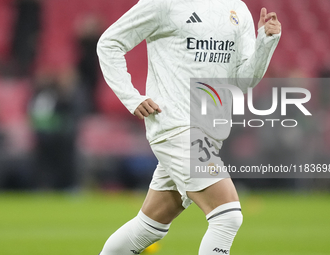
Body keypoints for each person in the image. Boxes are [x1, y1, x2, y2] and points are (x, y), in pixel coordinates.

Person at [97, 0, 281, 254]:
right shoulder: (163, 3)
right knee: (227, 216)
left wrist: (265, 43)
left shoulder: (236, 8)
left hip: (209, 132)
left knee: (149, 227)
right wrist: (131, 97)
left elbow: (243, 81)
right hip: (175, 126)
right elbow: (109, 43)